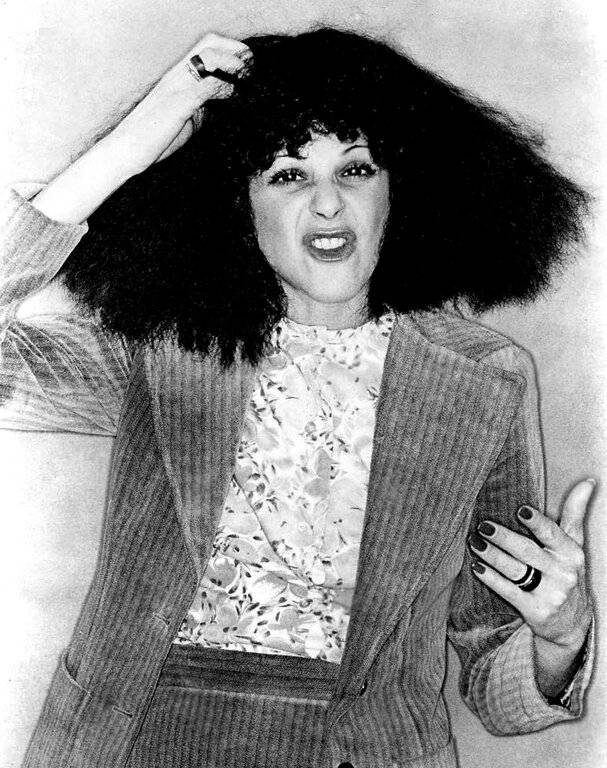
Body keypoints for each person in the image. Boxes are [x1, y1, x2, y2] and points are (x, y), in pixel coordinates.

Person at [0, 26, 595, 768]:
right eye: (286, 175)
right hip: (135, 741)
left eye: (356, 168)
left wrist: (562, 635)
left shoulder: (484, 376)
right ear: (236, 203)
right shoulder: (161, 348)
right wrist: (129, 148)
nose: (327, 204)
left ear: (401, 189)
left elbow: (493, 677)